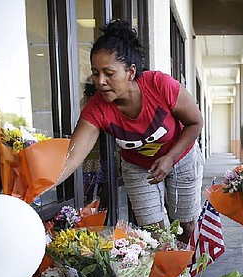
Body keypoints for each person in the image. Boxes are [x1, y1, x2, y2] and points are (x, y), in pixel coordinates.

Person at [58, 19, 204, 243]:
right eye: (95, 73)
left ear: (130, 72)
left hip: (181, 156)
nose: (100, 81)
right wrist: (38, 185)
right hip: (138, 166)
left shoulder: (160, 85)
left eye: (109, 73)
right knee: (155, 233)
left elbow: (195, 123)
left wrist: (169, 158)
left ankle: (187, 270)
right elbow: (71, 158)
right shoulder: (97, 108)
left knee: (185, 224)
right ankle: (168, 275)